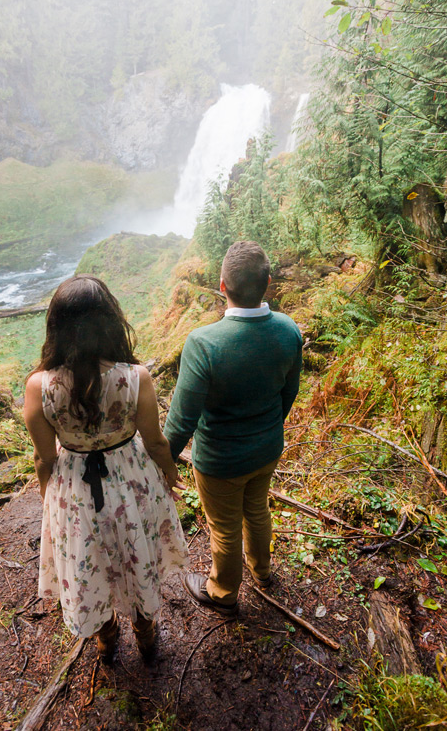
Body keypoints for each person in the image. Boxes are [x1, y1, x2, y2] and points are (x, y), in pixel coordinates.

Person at [24, 275, 188, 662]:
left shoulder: (39, 387)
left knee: (89, 561)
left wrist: (47, 490)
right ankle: (145, 631)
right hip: (132, 479)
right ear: (111, 321)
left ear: (56, 327)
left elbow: (44, 457)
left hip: (75, 488)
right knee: (135, 549)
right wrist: (169, 473)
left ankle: (106, 633)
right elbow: (155, 442)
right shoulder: (135, 378)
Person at [164, 241, 303, 614]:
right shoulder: (289, 330)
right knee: (257, 510)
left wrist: (161, 460)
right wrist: (267, 428)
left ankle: (223, 592)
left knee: (224, 528)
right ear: (268, 283)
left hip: (221, 462)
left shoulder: (204, 343)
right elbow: (289, 392)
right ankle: (263, 571)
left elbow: (181, 420)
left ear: (222, 286)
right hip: (267, 449)